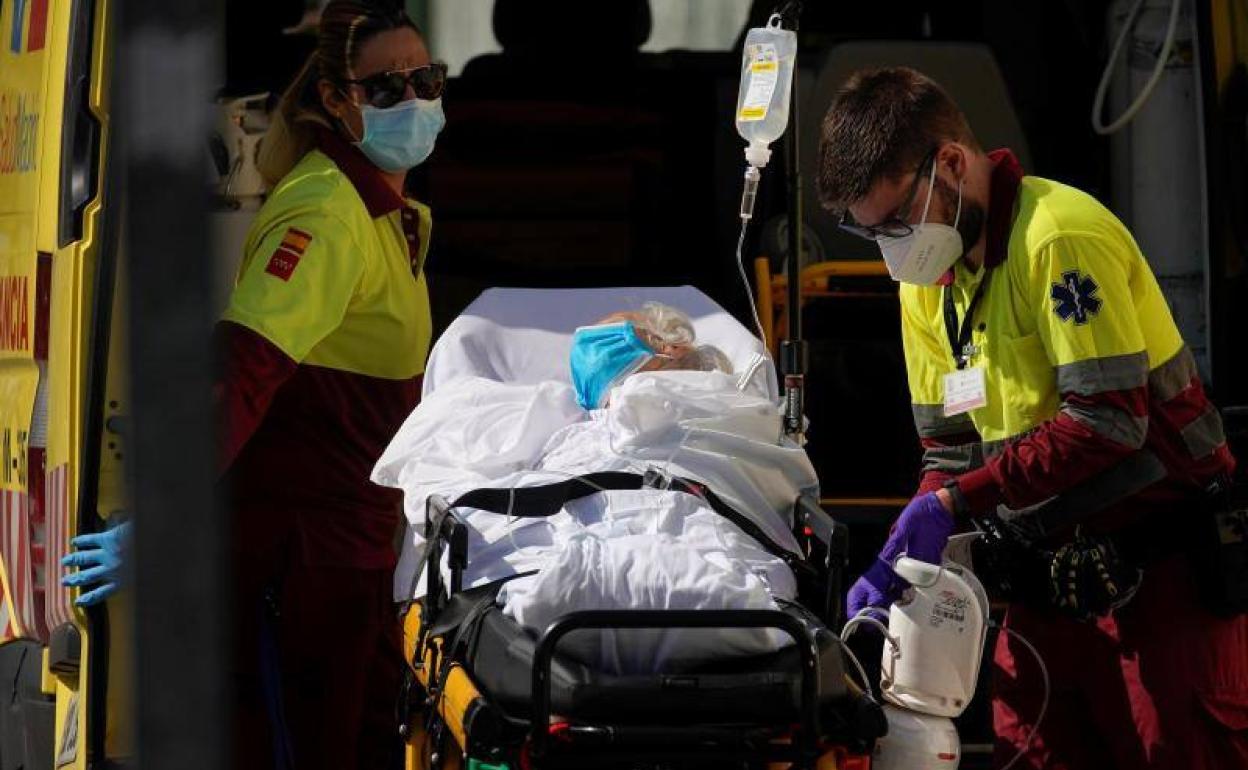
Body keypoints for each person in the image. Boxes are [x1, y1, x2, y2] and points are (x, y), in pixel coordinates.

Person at [817, 67, 1246, 769]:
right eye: (872, 234)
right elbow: (949, 450)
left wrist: (957, 502)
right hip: (1047, 577)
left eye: (896, 222)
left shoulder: (1060, 236)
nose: (893, 249)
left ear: (951, 163)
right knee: (1033, 754)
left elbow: (1109, 423)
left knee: (1179, 749)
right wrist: (909, 539)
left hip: (1163, 573)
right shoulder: (929, 285)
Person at [215, 2, 447, 768]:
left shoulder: (387, 211)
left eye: (426, 79)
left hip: (353, 557)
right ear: (335, 102)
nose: (413, 99)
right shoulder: (326, 214)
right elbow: (240, 375)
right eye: (386, 89)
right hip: (301, 562)